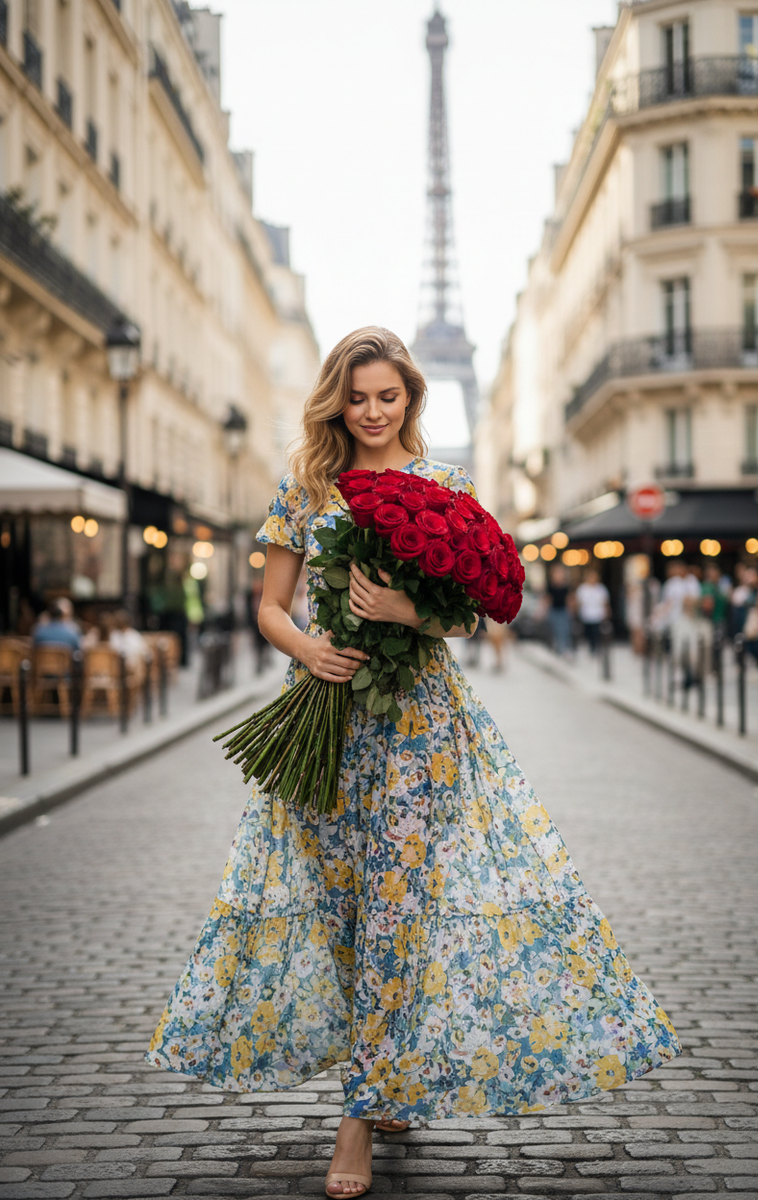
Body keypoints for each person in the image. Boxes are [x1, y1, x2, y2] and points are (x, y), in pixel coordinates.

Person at [144, 328, 680, 1199]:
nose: (372, 412)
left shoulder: (447, 488)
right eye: (357, 398)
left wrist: (406, 609)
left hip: (419, 733)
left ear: (412, 398)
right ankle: (388, 1070)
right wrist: (312, 649)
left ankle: (357, 1120)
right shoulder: (306, 488)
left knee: (398, 907)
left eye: (387, 396)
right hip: (326, 721)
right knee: (348, 911)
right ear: (337, 401)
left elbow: (470, 619)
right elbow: (269, 607)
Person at [575, 568, 610, 655]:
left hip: (597, 614)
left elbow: (605, 602)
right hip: (586, 615)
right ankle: (591, 647)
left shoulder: (601, 589)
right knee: (588, 633)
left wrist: (607, 612)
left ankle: (596, 647)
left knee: (596, 632)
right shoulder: (582, 588)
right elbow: (578, 602)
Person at [546, 562, 573, 655]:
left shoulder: (566, 586)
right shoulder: (550, 586)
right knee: (555, 629)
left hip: (563, 610)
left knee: (564, 629)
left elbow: (569, 599)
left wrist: (571, 609)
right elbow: (548, 599)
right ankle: (557, 647)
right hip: (553, 610)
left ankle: (564, 647)